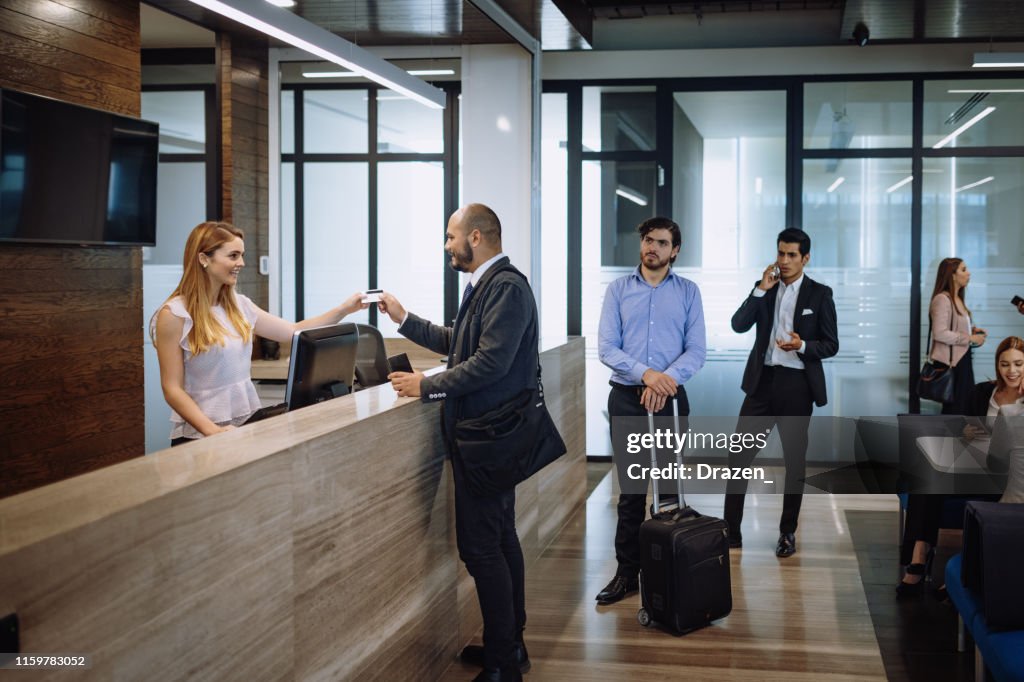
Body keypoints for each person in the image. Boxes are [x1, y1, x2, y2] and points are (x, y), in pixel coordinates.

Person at [378, 204, 536, 682]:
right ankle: (508, 646)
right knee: (500, 540)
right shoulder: (487, 285)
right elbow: (460, 343)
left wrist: (426, 386)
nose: (446, 246)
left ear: (476, 237)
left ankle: (503, 664)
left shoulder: (505, 287)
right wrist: (404, 319)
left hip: (488, 439)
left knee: (482, 549)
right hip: (485, 437)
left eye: (451, 237)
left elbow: (490, 363)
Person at [150, 221, 367, 445]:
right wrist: (212, 431)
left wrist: (344, 309)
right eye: (233, 255)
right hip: (201, 435)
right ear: (204, 259)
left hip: (246, 426)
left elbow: (293, 331)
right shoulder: (175, 314)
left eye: (242, 255)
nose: (241, 263)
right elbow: (172, 388)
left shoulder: (239, 305)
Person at [592, 217, 707, 606]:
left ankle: (668, 570)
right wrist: (648, 375)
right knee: (631, 492)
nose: (651, 247)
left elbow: (697, 350)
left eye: (661, 242)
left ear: (675, 250)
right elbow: (607, 347)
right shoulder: (618, 290)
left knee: (669, 488)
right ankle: (628, 573)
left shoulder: (689, 292)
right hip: (627, 398)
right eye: (646, 240)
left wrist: (664, 382)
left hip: (671, 401)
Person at [723, 227, 839, 558]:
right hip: (763, 384)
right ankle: (731, 531)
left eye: (792, 255)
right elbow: (738, 324)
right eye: (781, 253)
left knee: (794, 464)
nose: (784, 261)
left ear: (805, 258)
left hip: (797, 386)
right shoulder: (766, 289)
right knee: (738, 459)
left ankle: (787, 532)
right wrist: (761, 288)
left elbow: (831, 344)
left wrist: (802, 344)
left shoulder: (820, 294)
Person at [897, 336, 1023, 597]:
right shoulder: (982, 392)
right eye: (1005, 364)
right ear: (997, 365)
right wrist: (968, 434)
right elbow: (962, 431)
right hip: (977, 466)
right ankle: (920, 555)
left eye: (1019, 364)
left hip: (1009, 476)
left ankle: (926, 565)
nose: (1012, 371)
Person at [926, 257, 987, 416]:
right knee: (956, 409)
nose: (969, 273)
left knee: (965, 407)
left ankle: (959, 439)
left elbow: (954, 328)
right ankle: (948, 440)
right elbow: (939, 333)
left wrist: (972, 332)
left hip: (962, 360)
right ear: (952, 275)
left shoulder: (957, 298)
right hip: (952, 364)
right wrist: (969, 339)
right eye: (964, 269)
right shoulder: (942, 299)